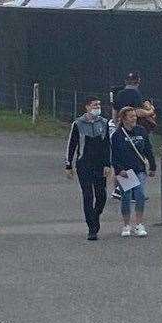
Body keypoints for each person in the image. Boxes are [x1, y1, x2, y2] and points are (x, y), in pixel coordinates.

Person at [64, 97, 113, 240]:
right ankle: (91, 227)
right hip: (84, 163)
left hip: (99, 164)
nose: (97, 107)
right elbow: (71, 145)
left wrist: (107, 164)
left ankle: (95, 215)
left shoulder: (104, 123)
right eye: (94, 105)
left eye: (99, 104)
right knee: (87, 195)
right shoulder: (78, 124)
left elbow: (107, 146)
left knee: (101, 195)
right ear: (87, 107)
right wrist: (68, 165)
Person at [110, 107, 153, 237]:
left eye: (135, 116)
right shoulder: (117, 135)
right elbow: (114, 155)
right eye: (131, 116)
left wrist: (153, 165)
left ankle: (139, 224)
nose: (134, 118)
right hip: (126, 170)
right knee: (127, 196)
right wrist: (119, 169)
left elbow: (148, 149)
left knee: (140, 194)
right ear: (123, 119)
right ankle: (126, 224)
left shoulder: (141, 131)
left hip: (139, 168)